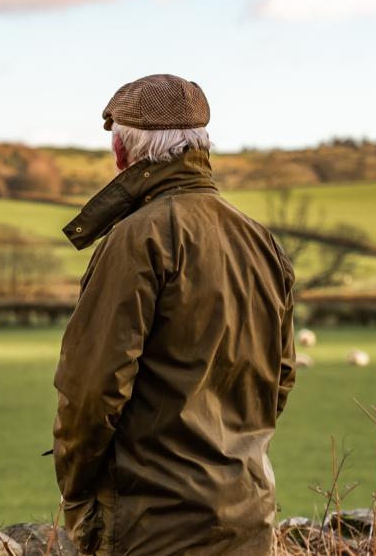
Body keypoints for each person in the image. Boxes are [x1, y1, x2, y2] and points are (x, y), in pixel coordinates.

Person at [53, 74, 296, 555]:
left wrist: (78, 491)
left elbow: (92, 391)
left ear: (122, 154)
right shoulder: (261, 241)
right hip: (248, 519)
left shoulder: (137, 239)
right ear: (202, 146)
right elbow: (280, 378)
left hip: (153, 529)